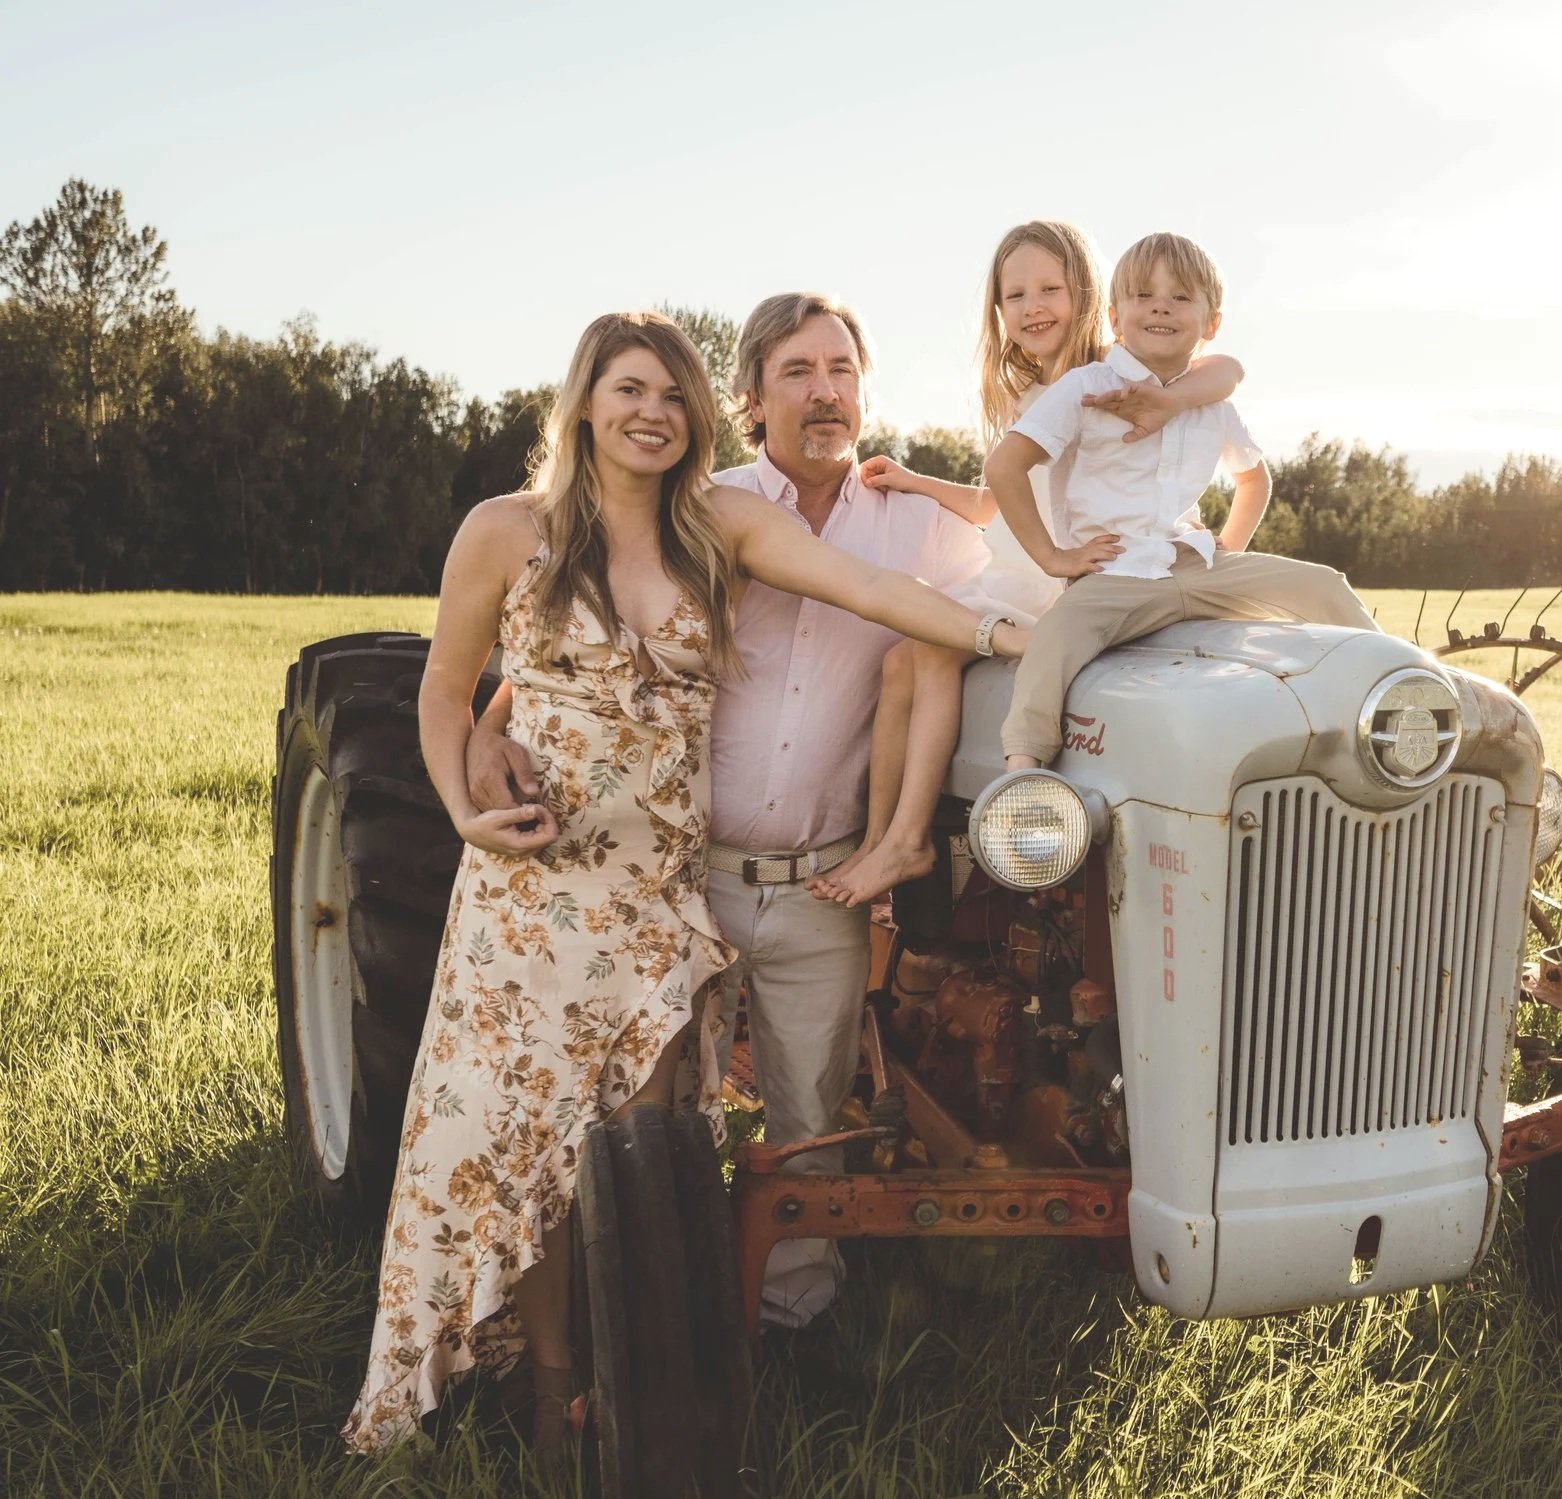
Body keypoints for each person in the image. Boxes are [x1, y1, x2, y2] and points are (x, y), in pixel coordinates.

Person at [343, 310, 1023, 1456]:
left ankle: (641, 1371)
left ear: (699, 417)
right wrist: (467, 806)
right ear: (585, 403)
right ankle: (556, 1388)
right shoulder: (504, 532)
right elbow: (447, 687)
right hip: (538, 894)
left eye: (671, 396)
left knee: (642, 1142)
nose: (651, 413)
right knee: (534, 1149)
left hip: (661, 895)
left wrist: (1006, 638)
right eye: (628, 390)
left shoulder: (718, 527)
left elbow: (866, 587)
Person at [470, 292, 993, 1334]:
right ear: (750, 399)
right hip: (681, 873)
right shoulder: (696, 510)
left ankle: (794, 1319)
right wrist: (491, 723)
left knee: (811, 1119)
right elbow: (583, 647)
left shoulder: (920, 530)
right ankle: (655, 1317)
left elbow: (1001, 591)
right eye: (798, 371)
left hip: (821, 880)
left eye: (842, 369)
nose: (826, 391)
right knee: (658, 1111)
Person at [819, 219, 1243, 904]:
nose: (1033, 306)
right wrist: (917, 482)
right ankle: (878, 839)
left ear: (1088, 296)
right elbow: (1002, 501)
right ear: (998, 311)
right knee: (899, 658)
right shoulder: (1038, 394)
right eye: (1015, 295)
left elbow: (1223, 370)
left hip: (1065, 583)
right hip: (1023, 570)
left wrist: (1168, 401)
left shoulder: (1106, 379)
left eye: (1051, 288)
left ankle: (906, 844)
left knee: (929, 652)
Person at [988, 232, 1380, 770]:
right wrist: (1055, 558)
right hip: (1115, 573)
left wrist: (1230, 549)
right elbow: (1004, 467)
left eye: (1180, 297)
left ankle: (1411, 701)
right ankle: (1023, 769)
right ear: (1114, 315)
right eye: (1144, 295)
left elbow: (1254, 480)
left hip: (1195, 563)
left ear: (1211, 321)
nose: (1160, 307)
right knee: (1054, 639)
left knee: (1324, 586)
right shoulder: (1088, 385)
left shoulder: (1207, 400)